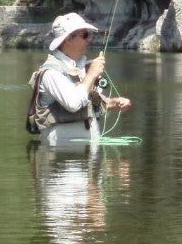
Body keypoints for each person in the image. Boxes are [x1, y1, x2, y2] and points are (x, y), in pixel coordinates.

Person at [26, 12, 132, 146]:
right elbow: (73, 103)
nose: (89, 39)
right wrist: (92, 74)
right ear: (68, 39)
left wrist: (113, 103)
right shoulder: (51, 72)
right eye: (85, 35)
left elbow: (89, 104)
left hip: (89, 157)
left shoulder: (81, 68)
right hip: (59, 159)